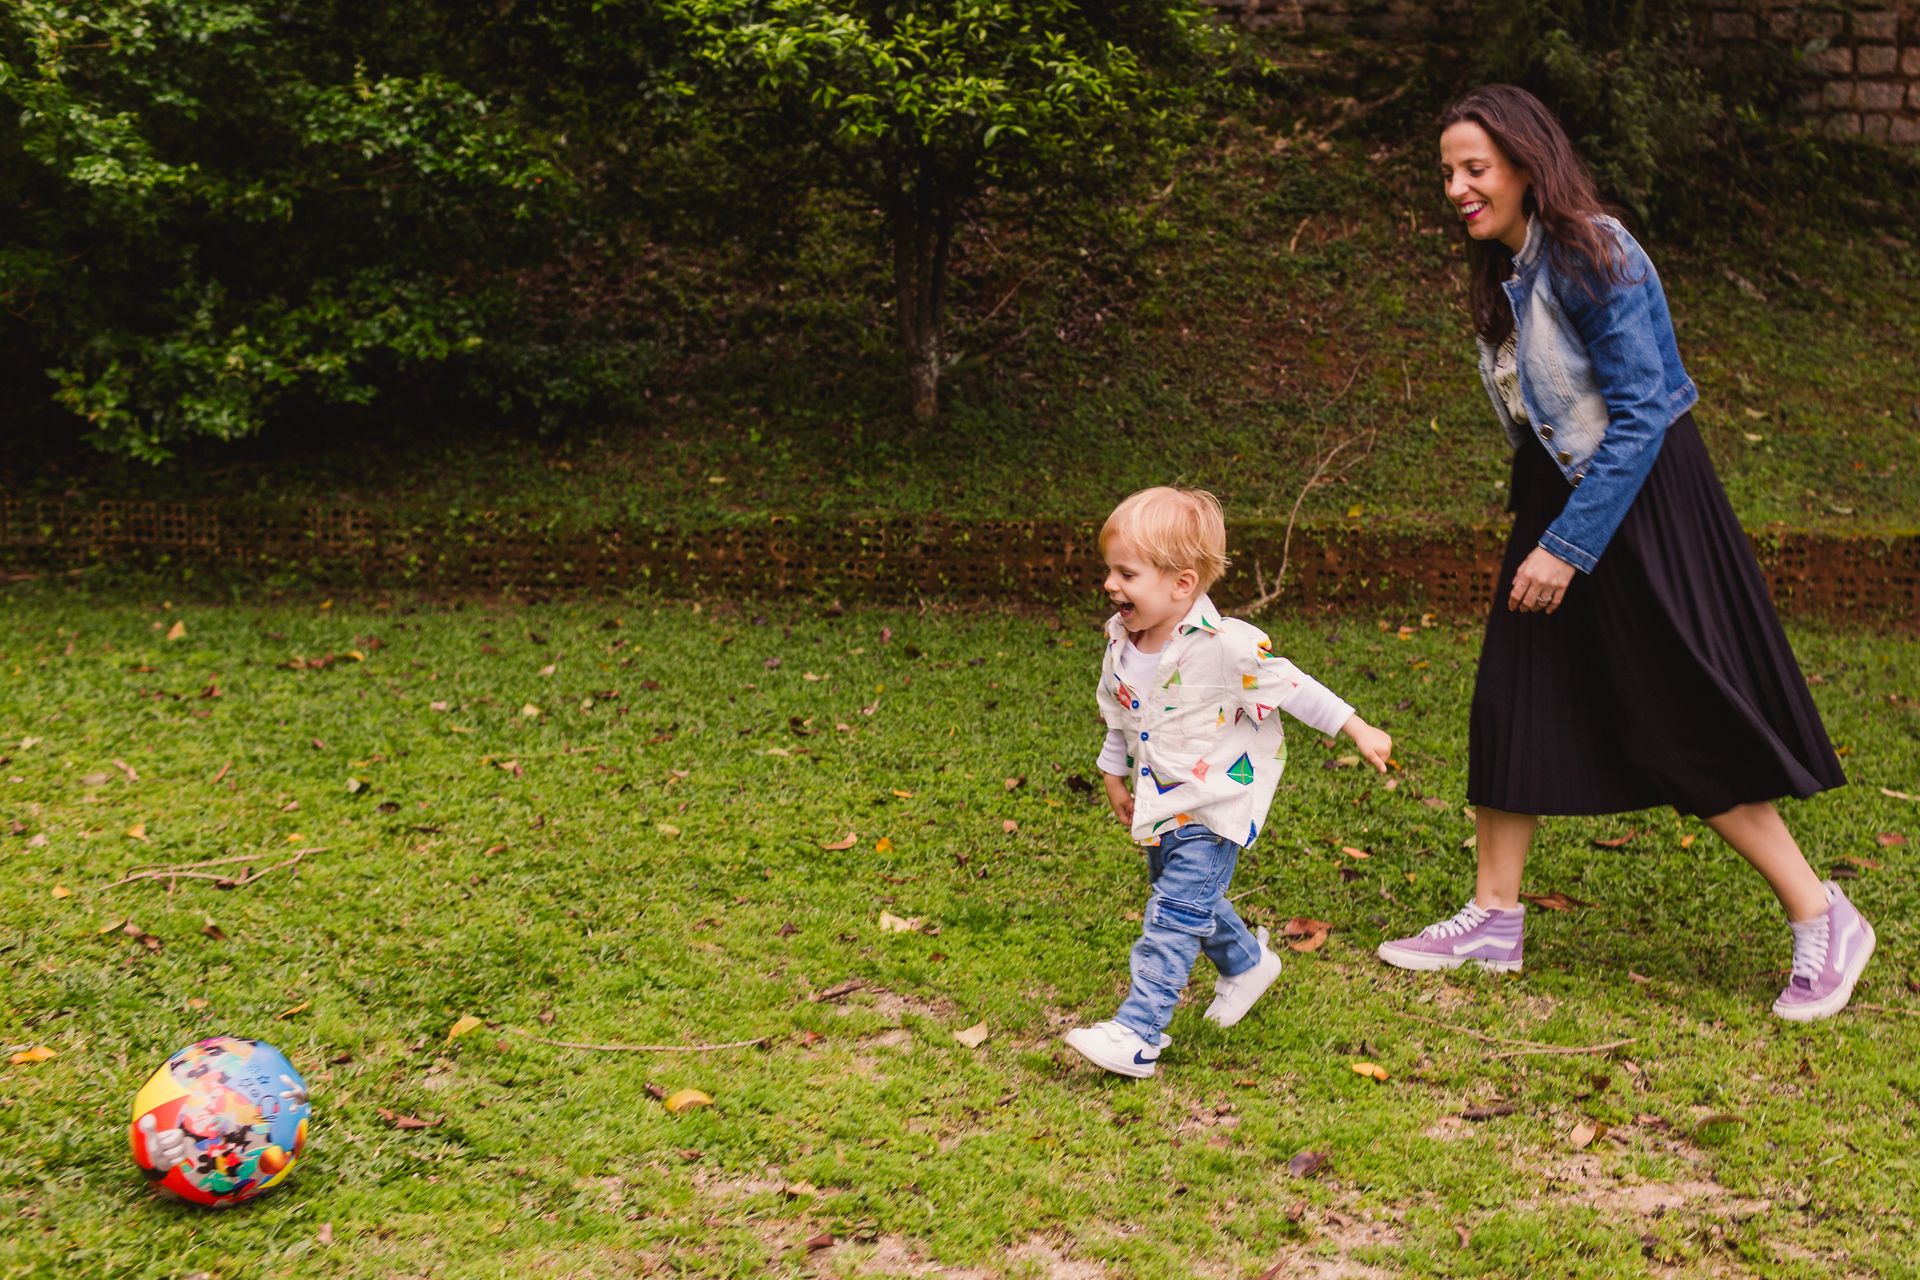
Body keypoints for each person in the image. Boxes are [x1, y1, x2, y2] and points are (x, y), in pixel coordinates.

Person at [1375, 85, 1871, 1022]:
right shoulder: (1513, 269)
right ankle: (1492, 915)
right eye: (1447, 171)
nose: (1456, 188)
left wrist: (1567, 546)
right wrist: (1545, 527)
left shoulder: (1593, 249)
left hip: (1631, 506)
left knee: (1678, 712)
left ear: (1526, 163)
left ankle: (1823, 915)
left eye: (1473, 169)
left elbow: (1645, 409)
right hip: (1562, 500)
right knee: (1511, 697)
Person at [1064, 486, 1393, 1078]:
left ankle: (1138, 1032)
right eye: (1109, 570)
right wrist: (1113, 772)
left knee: (1173, 914)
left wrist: (1356, 726)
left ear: (1181, 585)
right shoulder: (1122, 641)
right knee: (1188, 898)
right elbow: (1121, 712)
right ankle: (1247, 966)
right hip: (1163, 802)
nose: (1111, 585)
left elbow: (1293, 687)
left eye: (1126, 573)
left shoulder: (1226, 647)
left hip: (1216, 805)